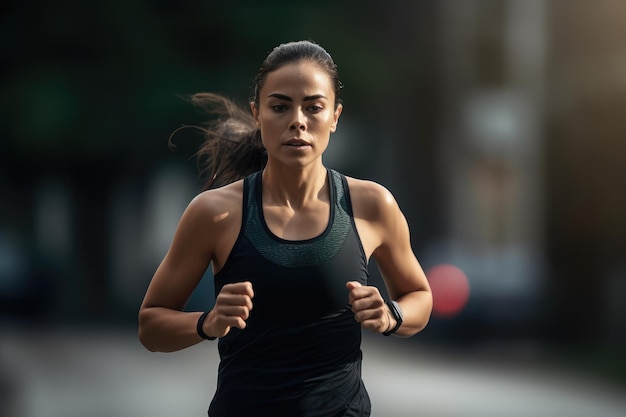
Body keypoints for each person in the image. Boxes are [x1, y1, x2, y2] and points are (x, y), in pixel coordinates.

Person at [138, 40, 432, 417]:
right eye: (280, 106)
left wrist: (392, 315)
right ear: (257, 113)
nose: (298, 120)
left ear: (335, 116)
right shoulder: (213, 213)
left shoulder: (373, 205)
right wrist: (208, 322)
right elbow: (151, 326)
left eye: (314, 107)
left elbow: (419, 295)